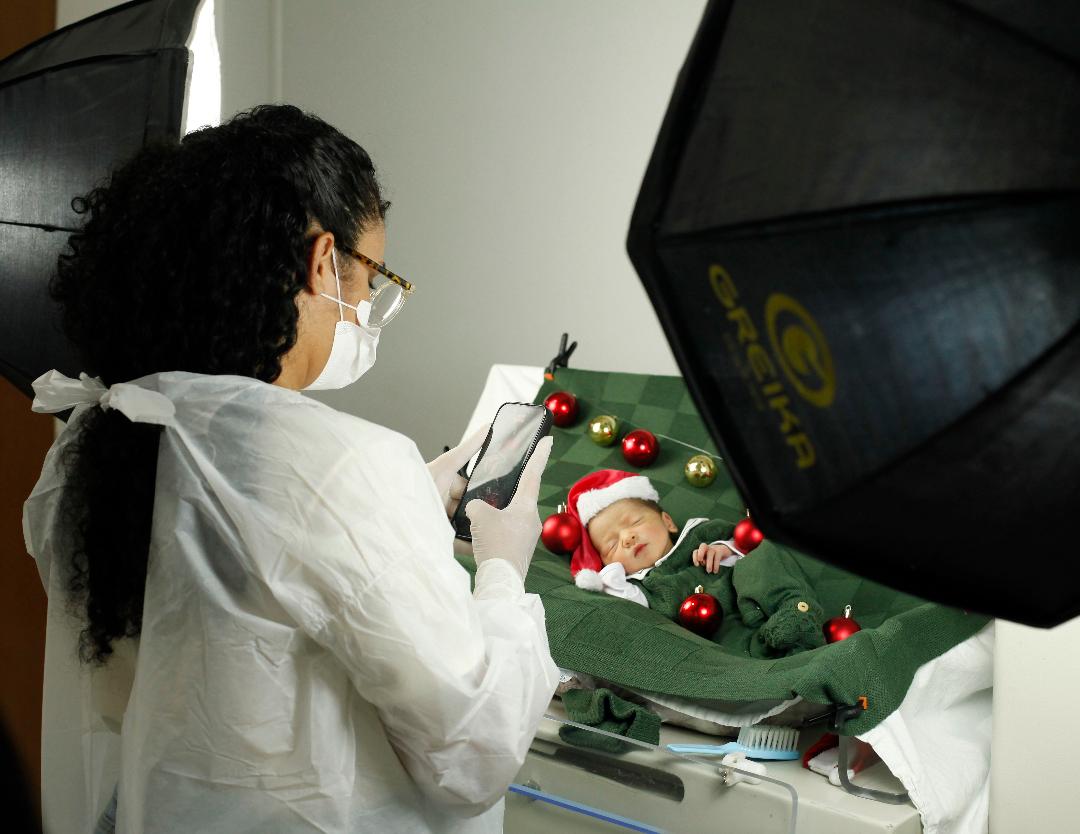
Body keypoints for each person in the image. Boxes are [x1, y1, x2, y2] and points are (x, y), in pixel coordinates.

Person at [23, 104, 559, 834]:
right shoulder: (338, 465)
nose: (369, 305)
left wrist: (407, 505)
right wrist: (502, 571)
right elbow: (473, 747)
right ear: (322, 260)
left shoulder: (92, 439)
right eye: (372, 277)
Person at [563, 469, 826, 655]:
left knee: (762, 552)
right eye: (612, 544)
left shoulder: (699, 535)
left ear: (668, 522)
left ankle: (796, 611)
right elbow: (619, 603)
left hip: (758, 608)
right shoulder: (640, 589)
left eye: (635, 522)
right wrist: (607, 578)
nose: (628, 538)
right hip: (723, 647)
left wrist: (726, 549)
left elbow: (746, 544)